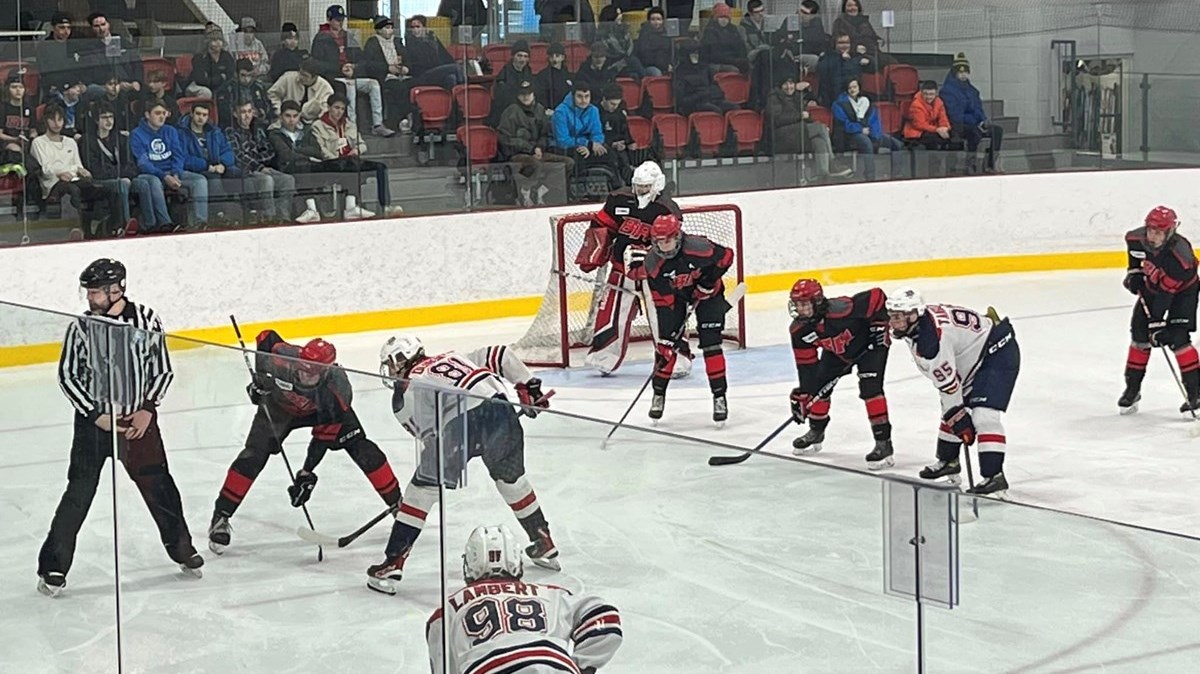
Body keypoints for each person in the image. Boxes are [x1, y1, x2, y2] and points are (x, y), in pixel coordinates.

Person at [38, 259, 203, 597]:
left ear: (118, 289)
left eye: (96, 291)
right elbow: (68, 376)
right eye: (89, 291)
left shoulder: (146, 319)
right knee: (79, 493)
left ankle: (182, 549)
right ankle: (53, 566)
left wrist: (147, 409)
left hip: (137, 425)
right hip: (94, 426)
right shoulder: (81, 327)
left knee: (159, 487)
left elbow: (162, 369)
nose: (90, 297)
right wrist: (95, 414)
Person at [366, 337, 558, 594]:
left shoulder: (407, 391)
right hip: (502, 413)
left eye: (390, 365)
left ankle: (392, 564)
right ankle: (543, 541)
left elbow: (429, 435)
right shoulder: (456, 356)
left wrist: (426, 482)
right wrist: (529, 387)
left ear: (401, 361)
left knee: (420, 493)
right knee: (512, 481)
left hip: (461, 426)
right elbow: (500, 353)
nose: (389, 372)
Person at [209, 332, 403, 555]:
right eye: (301, 371)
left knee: (363, 449)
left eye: (311, 376)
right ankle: (221, 516)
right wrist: (259, 384)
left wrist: (306, 472)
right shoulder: (283, 357)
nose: (304, 378)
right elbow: (265, 337)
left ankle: (397, 504)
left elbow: (322, 438)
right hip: (278, 410)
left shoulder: (337, 392)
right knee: (253, 456)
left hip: (319, 413)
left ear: (327, 372)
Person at [423, 525, 623, 672]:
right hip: (552, 666)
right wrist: (581, 666)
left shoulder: (447, 610)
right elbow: (606, 617)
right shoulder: (552, 593)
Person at [886, 287, 1019, 497]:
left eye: (899, 317)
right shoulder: (920, 326)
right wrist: (957, 417)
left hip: (997, 353)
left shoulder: (932, 342)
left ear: (914, 315)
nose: (894, 322)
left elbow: (950, 389)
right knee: (953, 410)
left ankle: (994, 476)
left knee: (983, 415)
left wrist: (959, 419)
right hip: (974, 353)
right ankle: (949, 461)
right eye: (892, 316)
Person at [575, 161, 689, 376]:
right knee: (611, 313)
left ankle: (676, 358)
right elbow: (602, 224)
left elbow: (672, 244)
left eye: (645, 186)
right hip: (621, 270)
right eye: (638, 185)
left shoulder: (667, 209)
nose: (640, 190)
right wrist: (596, 249)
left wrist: (650, 255)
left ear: (657, 185)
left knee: (665, 316)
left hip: (655, 274)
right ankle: (604, 356)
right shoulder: (619, 199)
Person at [787, 279, 895, 469]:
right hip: (838, 353)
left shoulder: (841, 309)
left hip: (870, 347)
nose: (799, 309)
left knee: (870, 389)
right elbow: (807, 368)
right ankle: (816, 431)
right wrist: (805, 394)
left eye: (804, 304)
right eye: (796, 304)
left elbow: (877, 296)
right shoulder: (799, 331)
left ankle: (883, 442)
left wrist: (879, 327)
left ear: (817, 301)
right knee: (820, 385)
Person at [643, 213, 736, 424]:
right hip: (677, 299)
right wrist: (666, 339)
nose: (663, 245)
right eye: (658, 241)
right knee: (665, 348)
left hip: (710, 297)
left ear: (677, 236)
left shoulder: (698, 247)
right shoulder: (653, 264)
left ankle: (719, 396)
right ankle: (658, 394)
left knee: (711, 344)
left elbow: (727, 256)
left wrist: (708, 282)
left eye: (667, 240)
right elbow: (663, 303)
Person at [1119, 206, 1200, 414]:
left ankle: (1196, 394)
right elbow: (1135, 261)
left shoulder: (1181, 257)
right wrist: (1134, 274)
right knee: (1139, 336)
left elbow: (1168, 293)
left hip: (1183, 293)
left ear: (1170, 233)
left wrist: (1157, 321)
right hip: (1153, 289)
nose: (1152, 236)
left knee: (1178, 339)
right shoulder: (1135, 238)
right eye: (1151, 230)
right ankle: (1132, 389)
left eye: (1159, 232)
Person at [31, 104, 122, 238]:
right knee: (72, 190)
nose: (57, 123)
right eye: (53, 119)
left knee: (110, 192)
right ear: (46, 121)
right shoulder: (38, 142)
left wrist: (83, 171)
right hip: (53, 185)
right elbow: (47, 169)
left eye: (60, 119)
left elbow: (78, 166)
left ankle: (115, 227)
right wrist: (67, 171)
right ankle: (79, 229)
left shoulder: (70, 142)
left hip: (75, 181)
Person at [309, 92, 403, 218]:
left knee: (381, 167)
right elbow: (321, 150)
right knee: (350, 168)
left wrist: (357, 150)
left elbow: (363, 144)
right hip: (332, 162)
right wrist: (337, 159)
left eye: (342, 109)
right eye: (336, 108)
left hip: (351, 159)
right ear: (329, 107)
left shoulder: (349, 125)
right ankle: (351, 206)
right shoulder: (318, 126)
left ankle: (385, 206)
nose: (339, 112)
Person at [311, 4, 395, 137]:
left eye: (342, 20)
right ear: (329, 20)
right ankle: (351, 126)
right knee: (349, 86)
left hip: (351, 75)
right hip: (333, 77)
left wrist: (354, 67)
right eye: (337, 20)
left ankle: (378, 124)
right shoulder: (321, 38)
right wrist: (340, 68)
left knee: (374, 84)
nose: (340, 23)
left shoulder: (348, 36)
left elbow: (363, 59)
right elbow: (317, 64)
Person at [82, 101, 160, 235]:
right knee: (122, 184)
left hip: (123, 178)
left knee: (143, 183)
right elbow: (94, 169)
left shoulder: (120, 138)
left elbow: (131, 165)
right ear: (96, 120)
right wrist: (120, 175)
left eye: (111, 117)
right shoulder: (87, 140)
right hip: (100, 181)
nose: (109, 121)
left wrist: (125, 175)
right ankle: (125, 225)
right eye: (104, 117)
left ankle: (150, 224)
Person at [130, 100, 209, 230]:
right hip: (150, 174)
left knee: (199, 180)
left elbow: (178, 155)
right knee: (155, 182)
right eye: (157, 113)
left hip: (173, 172)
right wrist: (164, 176)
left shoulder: (170, 131)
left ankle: (200, 222)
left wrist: (176, 173)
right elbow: (143, 163)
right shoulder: (137, 134)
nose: (162, 116)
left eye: (164, 113)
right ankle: (166, 224)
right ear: (147, 115)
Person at [498, 80, 574, 206]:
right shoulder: (511, 112)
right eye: (523, 94)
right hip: (517, 155)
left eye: (529, 93)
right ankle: (525, 192)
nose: (526, 97)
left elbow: (545, 134)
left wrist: (539, 147)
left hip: (538, 152)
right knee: (535, 164)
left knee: (568, 163)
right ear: (518, 95)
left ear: (534, 94)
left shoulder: (540, 109)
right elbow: (505, 139)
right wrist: (531, 148)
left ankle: (542, 190)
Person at [226, 100, 297, 222]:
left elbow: (269, 152)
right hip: (245, 172)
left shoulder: (258, 130)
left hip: (263, 168)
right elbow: (238, 156)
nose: (247, 115)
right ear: (235, 114)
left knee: (288, 179)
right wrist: (258, 166)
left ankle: (283, 217)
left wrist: (255, 159)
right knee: (266, 180)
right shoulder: (230, 131)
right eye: (243, 112)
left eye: (249, 111)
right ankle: (270, 217)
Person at [766, 75, 847, 180]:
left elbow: (805, 118)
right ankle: (832, 163)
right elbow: (776, 120)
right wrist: (800, 116)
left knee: (819, 142)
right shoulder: (774, 98)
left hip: (799, 133)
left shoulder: (796, 97)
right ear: (780, 86)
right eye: (785, 84)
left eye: (791, 83)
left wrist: (812, 121)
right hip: (782, 136)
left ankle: (823, 175)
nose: (789, 86)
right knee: (820, 129)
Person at [941, 53, 1004, 174]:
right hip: (958, 125)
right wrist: (975, 122)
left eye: (965, 72)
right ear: (955, 73)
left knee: (997, 131)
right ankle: (971, 163)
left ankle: (990, 163)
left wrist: (983, 120)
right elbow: (955, 115)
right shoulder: (947, 91)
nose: (963, 74)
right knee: (974, 133)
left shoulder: (973, 90)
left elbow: (978, 108)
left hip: (974, 123)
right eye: (960, 72)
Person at [832, 78, 904, 181]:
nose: (852, 90)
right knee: (866, 144)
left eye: (854, 87)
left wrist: (874, 134)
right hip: (850, 135)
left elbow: (874, 119)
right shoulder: (839, 104)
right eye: (850, 88)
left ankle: (897, 175)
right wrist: (860, 130)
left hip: (870, 132)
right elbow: (843, 124)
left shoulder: (866, 101)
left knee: (897, 144)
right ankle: (870, 176)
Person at [179, 102, 239, 222]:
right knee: (214, 178)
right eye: (198, 114)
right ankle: (219, 215)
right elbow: (183, 159)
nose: (201, 118)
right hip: (196, 171)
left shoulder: (215, 132)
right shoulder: (181, 133)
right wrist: (207, 166)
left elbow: (229, 152)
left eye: (205, 115)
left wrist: (222, 164)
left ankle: (244, 215)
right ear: (191, 114)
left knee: (237, 173)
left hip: (216, 167)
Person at [268, 101, 324, 223]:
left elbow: (317, 151)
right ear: (281, 116)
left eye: (295, 116)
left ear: (299, 116)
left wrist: (298, 150)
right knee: (302, 166)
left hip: (307, 168)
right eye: (288, 116)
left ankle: (314, 209)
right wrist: (307, 157)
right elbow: (285, 155)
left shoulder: (306, 133)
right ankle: (311, 208)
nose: (291, 120)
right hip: (285, 169)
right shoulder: (274, 134)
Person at [362, 16, 413, 131]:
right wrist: (387, 68)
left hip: (402, 75)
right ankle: (404, 118)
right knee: (398, 87)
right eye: (386, 27)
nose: (390, 30)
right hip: (385, 76)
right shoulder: (372, 43)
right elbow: (369, 64)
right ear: (379, 30)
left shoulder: (397, 42)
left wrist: (406, 68)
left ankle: (411, 117)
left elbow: (408, 59)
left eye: (391, 28)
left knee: (411, 84)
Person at [902, 80, 962, 176]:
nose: (928, 97)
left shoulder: (939, 102)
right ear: (921, 92)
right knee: (935, 140)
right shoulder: (916, 104)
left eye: (931, 94)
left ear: (936, 93)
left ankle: (952, 167)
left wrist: (945, 128)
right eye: (926, 94)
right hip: (917, 132)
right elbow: (919, 124)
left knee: (954, 137)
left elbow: (943, 117)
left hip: (933, 128)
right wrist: (937, 130)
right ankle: (934, 168)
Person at [82, 12, 143, 97]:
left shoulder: (124, 42)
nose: (101, 29)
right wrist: (108, 86)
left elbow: (137, 64)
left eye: (103, 24)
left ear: (108, 25)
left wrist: (137, 81)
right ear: (92, 28)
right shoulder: (89, 48)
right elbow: (90, 73)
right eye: (97, 26)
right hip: (104, 87)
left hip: (128, 84)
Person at [673, 40, 738, 116]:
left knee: (734, 108)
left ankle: (733, 127)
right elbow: (681, 101)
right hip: (693, 105)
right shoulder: (680, 72)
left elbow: (715, 87)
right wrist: (700, 95)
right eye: (692, 53)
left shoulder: (704, 68)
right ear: (685, 55)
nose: (695, 56)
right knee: (715, 110)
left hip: (710, 100)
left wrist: (716, 94)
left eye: (697, 53)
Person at [405, 15, 466, 89]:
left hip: (436, 72)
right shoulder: (411, 43)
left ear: (424, 28)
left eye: (418, 27)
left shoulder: (432, 40)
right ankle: (464, 93)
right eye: (412, 27)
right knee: (456, 68)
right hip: (421, 75)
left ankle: (452, 99)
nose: (415, 30)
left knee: (451, 78)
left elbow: (444, 56)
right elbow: (421, 62)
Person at [37, 12, 88, 102]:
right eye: (62, 27)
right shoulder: (45, 46)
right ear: (53, 28)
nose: (66, 31)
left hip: (76, 87)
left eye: (68, 28)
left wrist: (80, 84)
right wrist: (67, 87)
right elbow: (46, 73)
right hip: (54, 89)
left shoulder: (74, 44)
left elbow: (80, 68)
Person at [268, 58, 336, 123]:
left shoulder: (325, 87)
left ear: (315, 77)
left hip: (311, 122)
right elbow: (272, 94)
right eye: (300, 73)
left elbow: (326, 109)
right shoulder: (288, 78)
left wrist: (318, 122)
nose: (301, 77)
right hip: (285, 119)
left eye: (305, 76)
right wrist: (279, 111)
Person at [597, 84, 640, 185]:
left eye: (617, 104)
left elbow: (624, 129)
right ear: (604, 99)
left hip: (620, 144)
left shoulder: (619, 111)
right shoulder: (596, 112)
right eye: (612, 104)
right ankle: (618, 186)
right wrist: (612, 143)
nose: (615, 107)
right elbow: (596, 134)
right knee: (617, 158)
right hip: (604, 145)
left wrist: (629, 142)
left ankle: (633, 184)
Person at [831, 0, 892, 70]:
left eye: (855, 5)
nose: (853, 8)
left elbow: (872, 38)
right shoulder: (839, 22)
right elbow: (836, 43)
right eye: (849, 6)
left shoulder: (864, 21)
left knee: (890, 61)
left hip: (870, 53)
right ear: (844, 8)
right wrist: (854, 49)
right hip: (851, 55)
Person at [216, 58, 274, 126]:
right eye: (243, 75)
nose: (247, 79)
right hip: (234, 126)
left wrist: (260, 112)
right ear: (235, 74)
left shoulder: (258, 87)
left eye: (249, 75)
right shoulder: (226, 89)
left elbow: (269, 107)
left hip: (259, 124)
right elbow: (223, 113)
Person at [816, 32, 869, 107]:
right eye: (840, 43)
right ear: (834, 45)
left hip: (854, 95)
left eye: (847, 43)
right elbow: (833, 82)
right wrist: (842, 59)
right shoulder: (827, 59)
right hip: (835, 98)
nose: (844, 45)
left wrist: (864, 56)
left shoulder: (854, 58)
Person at [491, 40, 535, 126]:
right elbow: (504, 100)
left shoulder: (528, 71)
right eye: (519, 56)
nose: (522, 60)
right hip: (507, 115)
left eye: (525, 56)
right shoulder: (504, 75)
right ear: (513, 56)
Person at [597, 6, 644, 79]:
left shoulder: (624, 30)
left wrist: (626, 58)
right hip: (611, 66)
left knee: (636, 72)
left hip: (627, 64)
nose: (621, 16)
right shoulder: (602, 34)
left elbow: (629, 48)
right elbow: (611, 53)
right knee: (633, 61)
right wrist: (625, 59)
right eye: (618, 14)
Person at [699, 3, 747, 73]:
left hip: (732, 60)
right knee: (733, 70)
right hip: (716, 63)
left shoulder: (733, 29)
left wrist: (741, 59)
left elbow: (741, 46)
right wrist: (734, 61)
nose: (724, 20)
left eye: (726, 17)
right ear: (716, 18)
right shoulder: (710, 30)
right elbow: (715, 55)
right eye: (721, 17)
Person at [186, 32, 236, 98]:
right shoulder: (200, 57)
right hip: (197, 86)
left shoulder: (226, 56)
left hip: (219, 86)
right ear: (208, 42)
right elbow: (200, 80)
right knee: (206, 92)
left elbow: (230, 75)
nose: (218, 42)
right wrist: (220, 78)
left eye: (220, 40)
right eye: (214, 40)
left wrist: (216, 80)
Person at [0, 72, 35, 166]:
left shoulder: (29, 108)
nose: (18, 90)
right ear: (8, 89)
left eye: (21, 87)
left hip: (26, 143)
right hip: (7, 144)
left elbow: (33, 130)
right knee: (15, 151)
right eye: (14, 87)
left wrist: (32, 138)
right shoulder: (3, 108)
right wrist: (15, 139)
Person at [535, 43, 574, 112]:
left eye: (557, 56)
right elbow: (541, 95)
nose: (554, 58)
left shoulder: (568, 75)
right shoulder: (543, 75)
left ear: (563, 57)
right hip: (550, 111)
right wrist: (546, 108)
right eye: (551, 56)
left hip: (568, 110)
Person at [635, 8, 672, 77]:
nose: (656, 22)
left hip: (666, 67)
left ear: (663, 21)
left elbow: (671, 52)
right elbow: (645, 57)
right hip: (649, 67)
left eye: (658, 19)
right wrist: (665, 65)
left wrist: (671, 64)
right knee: (656, 72)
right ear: (649, 21)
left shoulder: (667, 35)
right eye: (653, 19)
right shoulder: (644, 35)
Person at [798, 0, 830, 71]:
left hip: (810, 54)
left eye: (805, 13)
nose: (800, 14)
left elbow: (816, 44)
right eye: (799, 11)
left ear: (812, 16)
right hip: (792, 54)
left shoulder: (816, 24)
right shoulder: (790, 21)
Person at [741, 0, 771, 67]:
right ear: (750, 13)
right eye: (757, 12)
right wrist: (758, 50)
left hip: (769, 54)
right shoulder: (744, 27)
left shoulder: (768, 23)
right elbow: (746, 47)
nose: (761, 14)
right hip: (755, 57)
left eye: (762, 10)